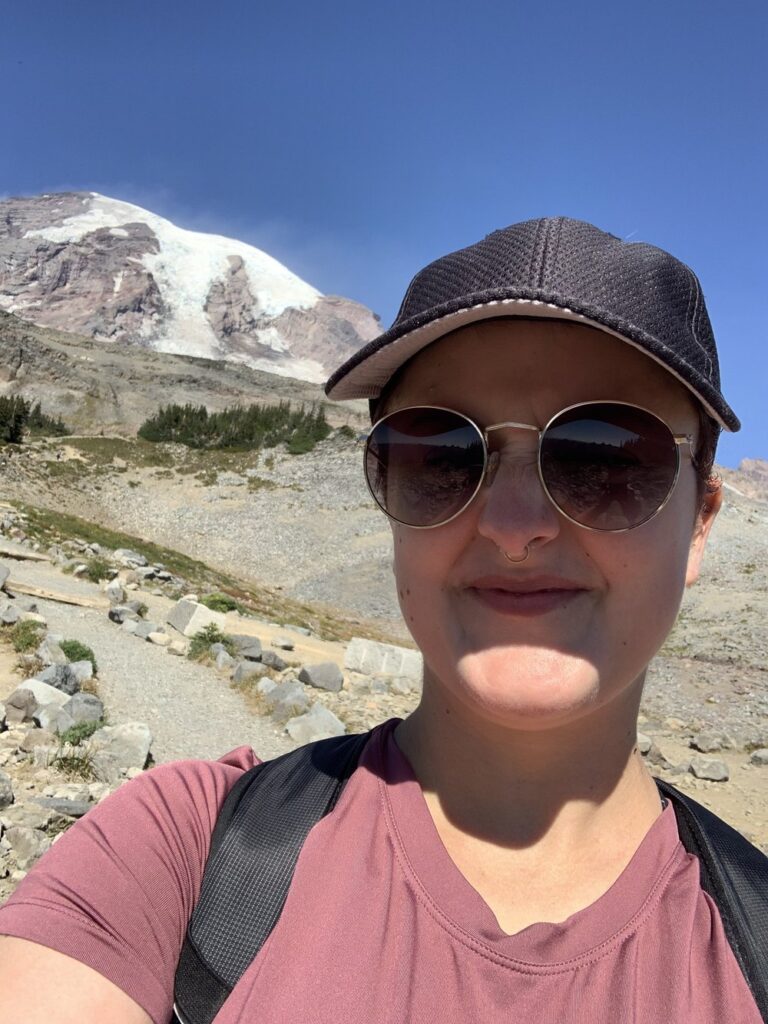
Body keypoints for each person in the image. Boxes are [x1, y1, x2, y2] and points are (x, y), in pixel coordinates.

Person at [0, 216, 765, 1023]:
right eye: (440, 456)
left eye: (606, 458)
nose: (515, 524)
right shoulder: (181, 849)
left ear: (701, 521)